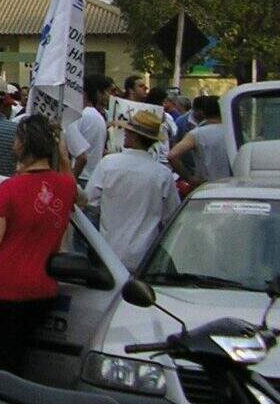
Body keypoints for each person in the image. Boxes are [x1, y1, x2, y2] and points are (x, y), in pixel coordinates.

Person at [0, 115, 76, 377]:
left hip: (4, 285)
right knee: (19, 355)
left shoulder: (9, 188)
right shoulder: (66, 186)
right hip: (42, 288)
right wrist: (61, 152)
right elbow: (68, 174)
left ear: (23, 144)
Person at [87, 107, 181, 271]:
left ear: (135, 136)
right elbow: (171, 217)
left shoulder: (108, 164)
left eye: (127, 130)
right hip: (144, 257)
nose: (124, 132)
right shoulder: (163, 175)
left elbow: (89, 201)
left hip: (108, 254)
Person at [168, 96, 233, 187]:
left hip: (205, 186)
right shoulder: (235, 132)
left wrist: (189, 178)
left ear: (203, 113)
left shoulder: (196, 134)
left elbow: (172, 155)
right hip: (232, 186)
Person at [65, 73, 114, 183]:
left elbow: (81, 156)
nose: (107, 96)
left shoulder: (80, 115)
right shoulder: (98, 117)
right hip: (94, 176)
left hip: (80, 175)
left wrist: (71, 182)